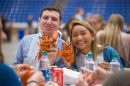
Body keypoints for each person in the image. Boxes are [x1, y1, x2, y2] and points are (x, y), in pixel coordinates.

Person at [13, 6, 67, 70]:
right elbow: (15, 67)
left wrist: (51, 63)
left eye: (54, 19)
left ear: (60, 24)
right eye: (45, 18)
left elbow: (63, 74)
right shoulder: (26, 41)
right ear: (39, 21)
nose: (49, 22)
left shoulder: (64, 47)